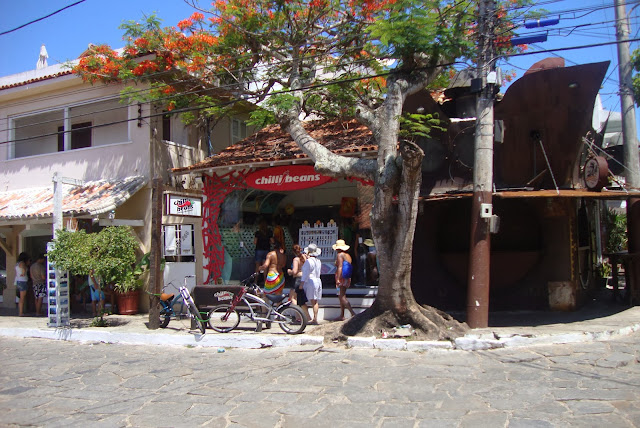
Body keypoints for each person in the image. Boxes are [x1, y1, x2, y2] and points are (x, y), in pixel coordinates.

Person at [333, 239, 356, 320]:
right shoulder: (348, 256)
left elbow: (340, 267)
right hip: (346, 277)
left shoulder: (340, 255)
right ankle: (342, 314)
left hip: (341, 277)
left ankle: (352, 313)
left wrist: (338, 279)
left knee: (342, 296)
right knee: (341, 295)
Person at [301, 243, 323, 325]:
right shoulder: (318, 261)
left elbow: (305, 273)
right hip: (317, 280)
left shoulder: (308, 261)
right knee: (315, 301)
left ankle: (311, 318)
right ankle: (315, 318)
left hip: (310, 281)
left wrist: (301, 284)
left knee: (310, 300)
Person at [287, 244, 308, 309]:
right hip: (303, 278)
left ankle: (297, 315)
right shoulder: (305, 257)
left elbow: (295, 271)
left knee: (293, 298)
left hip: (297, 279)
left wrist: (289, 271)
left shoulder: (296, 259)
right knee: (301, 300)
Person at [15, 252, 30, 317]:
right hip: (22, 281)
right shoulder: (22, 263)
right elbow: (23, 269)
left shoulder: (17, 263)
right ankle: (20, 313)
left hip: (18, 280)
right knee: (22, 298)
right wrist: (23, 273)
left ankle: (21, 312)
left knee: (21, 298)